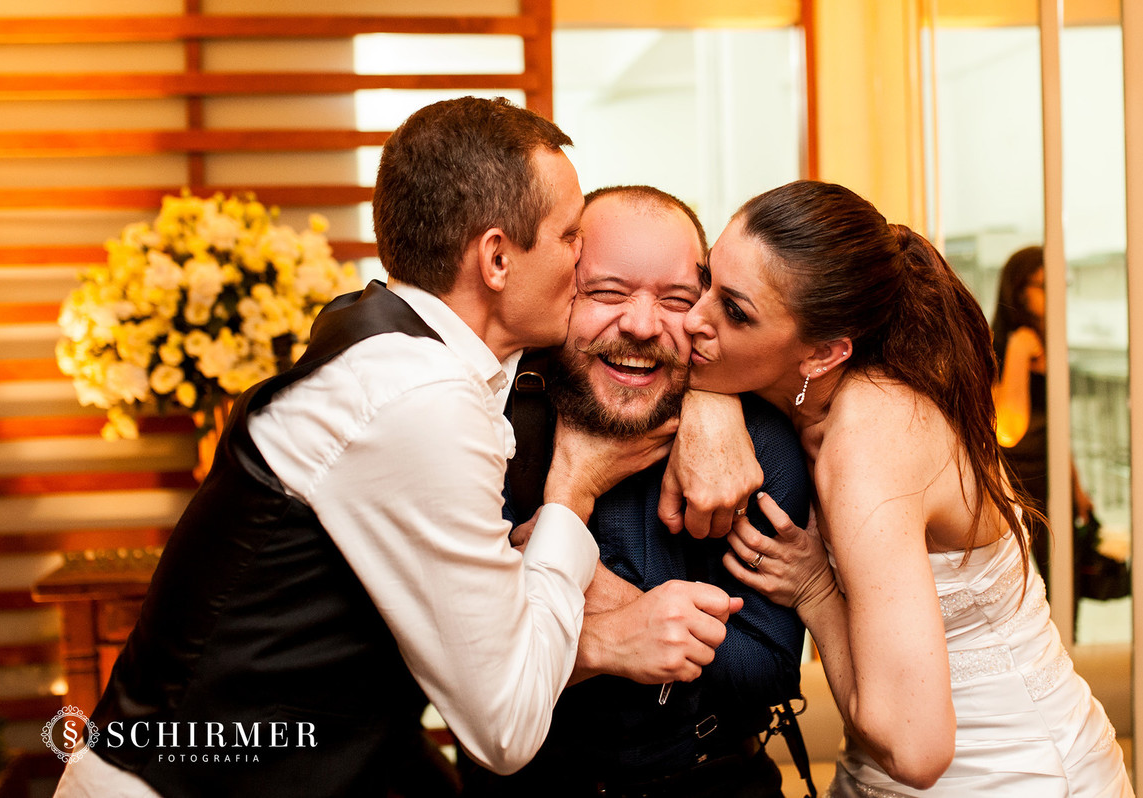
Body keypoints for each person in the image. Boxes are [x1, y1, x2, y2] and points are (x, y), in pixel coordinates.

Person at [53, 97, 696, 798]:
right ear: (497, 257)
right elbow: (505, 728)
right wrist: (571, 497)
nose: (582, 258)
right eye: (571, 235)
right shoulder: (418, 396)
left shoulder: (387, 335)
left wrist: (715, 400)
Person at [679, 180, 1133, 796]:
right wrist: (709, 403)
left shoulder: (870, 437)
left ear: (823, 353)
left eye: (733, 311)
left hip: (1004, 772)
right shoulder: (821, 387)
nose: (692, 319)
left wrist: (814, 589)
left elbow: (917, 748)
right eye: (704, 281)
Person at [458, 185, 810, 798]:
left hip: (712, 781)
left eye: (677, 299)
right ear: (561, 289)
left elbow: (770, 672)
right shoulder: (489, 426)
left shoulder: (756, 442)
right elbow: (456, 657)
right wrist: (608, 640)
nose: (643, 326)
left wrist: (606, 593)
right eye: (607, 292)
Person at [992, 244, 1094, 590]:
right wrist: (1019, 352)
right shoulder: (1000, 346)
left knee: (1068, 582)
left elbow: (1056, 426)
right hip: (1016, 482)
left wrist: (1076, 486)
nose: (1056, 294)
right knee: (1024, 586)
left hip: (1052, 477)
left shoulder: (1053, 343)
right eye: (1044, 285)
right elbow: (1007, 429)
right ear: (1019, 293)